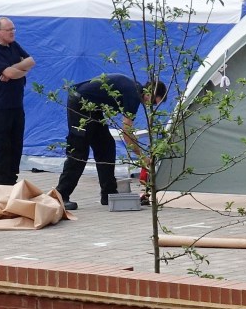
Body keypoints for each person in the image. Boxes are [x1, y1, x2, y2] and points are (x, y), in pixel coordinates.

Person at [56, 75, 167, 211]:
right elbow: (127, 132)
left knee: (106, 147)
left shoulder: (135, 89)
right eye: (154, 103)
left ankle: (108, 194)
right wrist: (142, 158)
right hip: (80, 104)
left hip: (93, 109)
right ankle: (61, 195)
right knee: (79, 151)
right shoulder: (134, 95)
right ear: (149, 93)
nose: (151, 106)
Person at [0, 17, 35, 185]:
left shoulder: (14, 46)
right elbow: (12, 73)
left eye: (14, 29)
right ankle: (1, 181)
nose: (13, 32)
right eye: (9, 30)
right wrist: (17, 69)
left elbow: (31, 61)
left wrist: (15, 70)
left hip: (16, 104)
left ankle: (12, 178)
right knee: (2, 145)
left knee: (16, 143)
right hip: (0, 106)